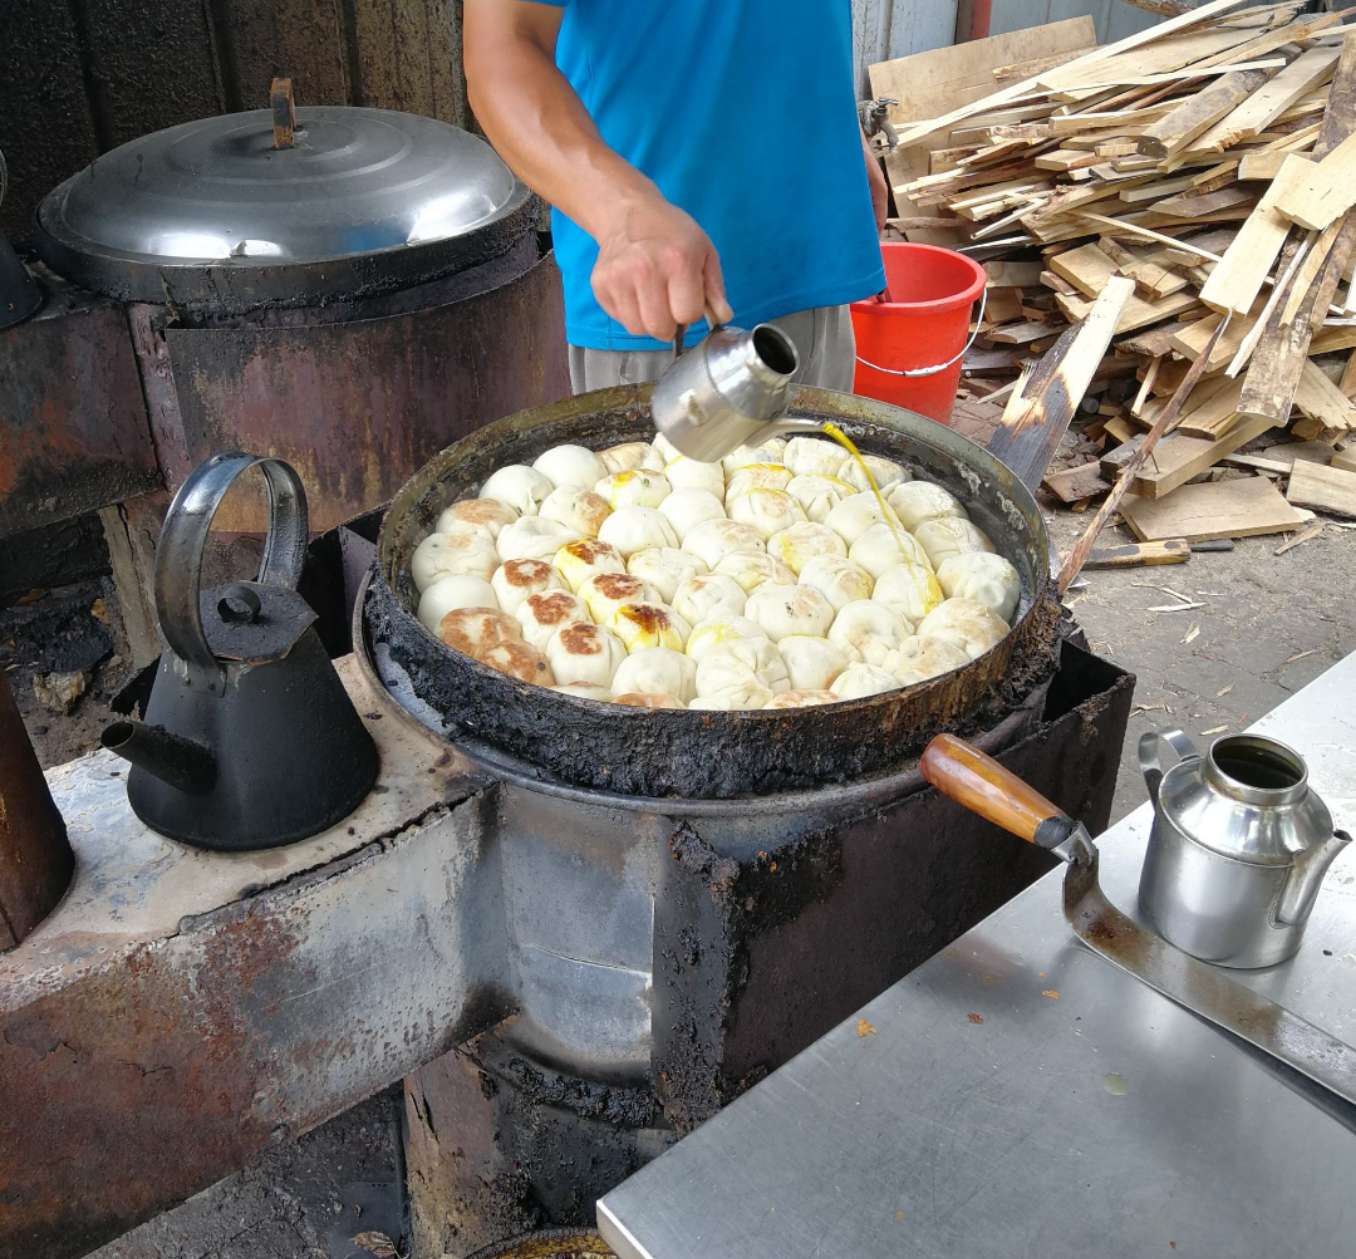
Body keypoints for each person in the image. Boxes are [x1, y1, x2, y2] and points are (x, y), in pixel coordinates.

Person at [464, 1, 887, 395]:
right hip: (663, 299)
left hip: (818, 264)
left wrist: (845, 129)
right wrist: (622, 211)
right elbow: (502, 48)